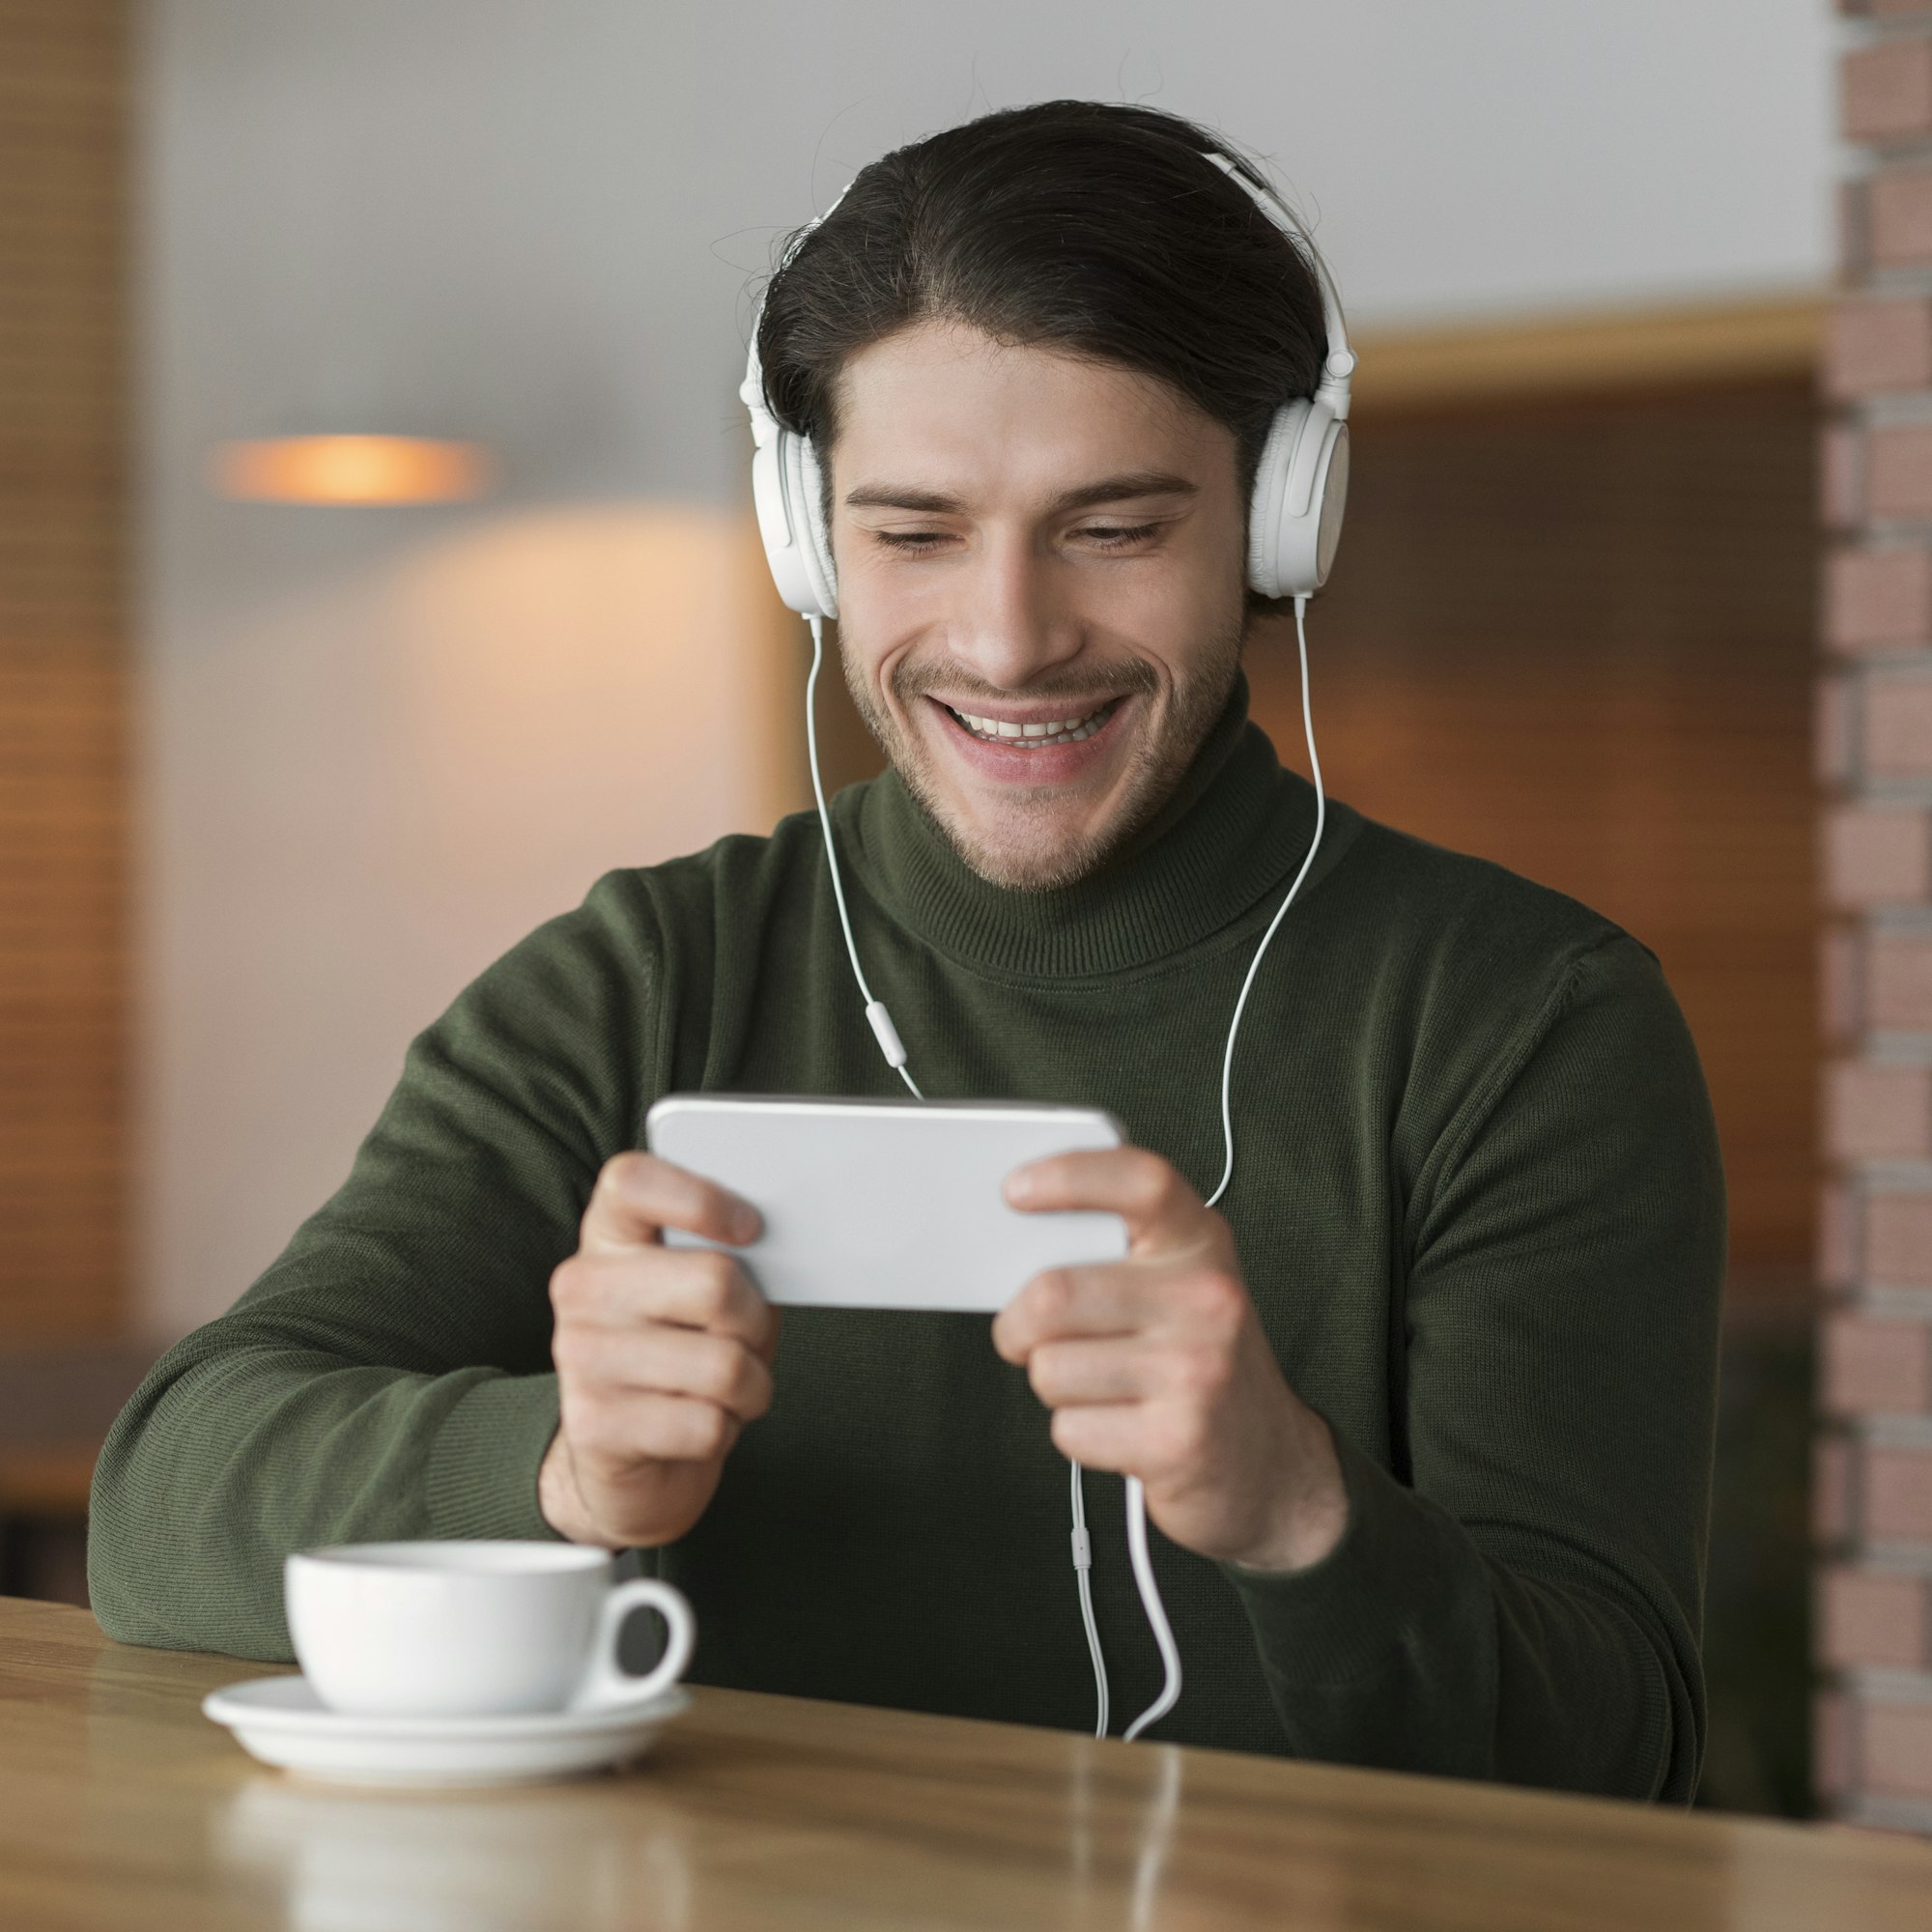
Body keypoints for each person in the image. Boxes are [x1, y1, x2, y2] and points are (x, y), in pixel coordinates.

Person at [89, 99, 1723, 1801]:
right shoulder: (648, 974)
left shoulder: (1525, 1022)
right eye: (916, 532)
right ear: (810, 544)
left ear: (1275, 522)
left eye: (1114, 528)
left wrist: (1298, 1510)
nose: (1009, 641)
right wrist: (561, 1474)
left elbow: (1618, 1752)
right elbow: (160, 1502)